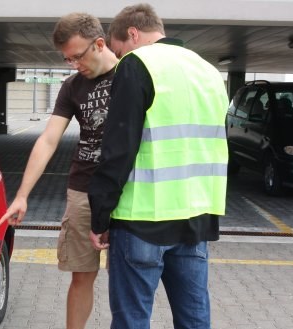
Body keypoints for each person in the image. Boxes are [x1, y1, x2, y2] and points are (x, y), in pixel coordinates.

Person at [88, 3, 229, 329]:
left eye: (118, 48)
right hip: (196, 220)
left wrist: (99, 217)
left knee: (132, 319)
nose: (118, 56)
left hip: (142, 221)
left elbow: (118, 149)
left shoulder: (137, 64)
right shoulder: (208, 71)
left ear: (133, 34)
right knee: (194, 318)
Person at [0, 12, 119, 329]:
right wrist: (22, 196)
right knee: (82, 275)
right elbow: (49, 139)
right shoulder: (72, 87)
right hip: (83, 191)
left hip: (128, 189)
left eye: (77, 56)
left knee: (127, 276)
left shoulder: (130, 74)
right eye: (67, 59)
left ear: (100, 44)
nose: (74, 64)